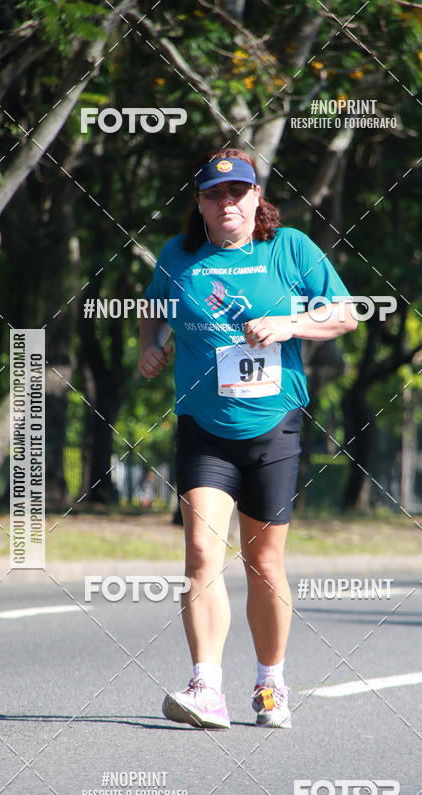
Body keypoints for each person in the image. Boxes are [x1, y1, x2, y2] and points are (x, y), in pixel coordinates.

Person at [138, 148, 357, 729]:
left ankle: (270, 683)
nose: (226, 202)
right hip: (203, 429)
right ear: (201, 204)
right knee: (201, 554)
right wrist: (150, 345)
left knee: (264, 563)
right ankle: (206, 686)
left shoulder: (289, 250)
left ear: (257, 198)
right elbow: (152, 308)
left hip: (273, 425)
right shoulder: (179, 256)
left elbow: (345, 314)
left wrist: (290, 325)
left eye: (237, 192)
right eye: (215, 194)